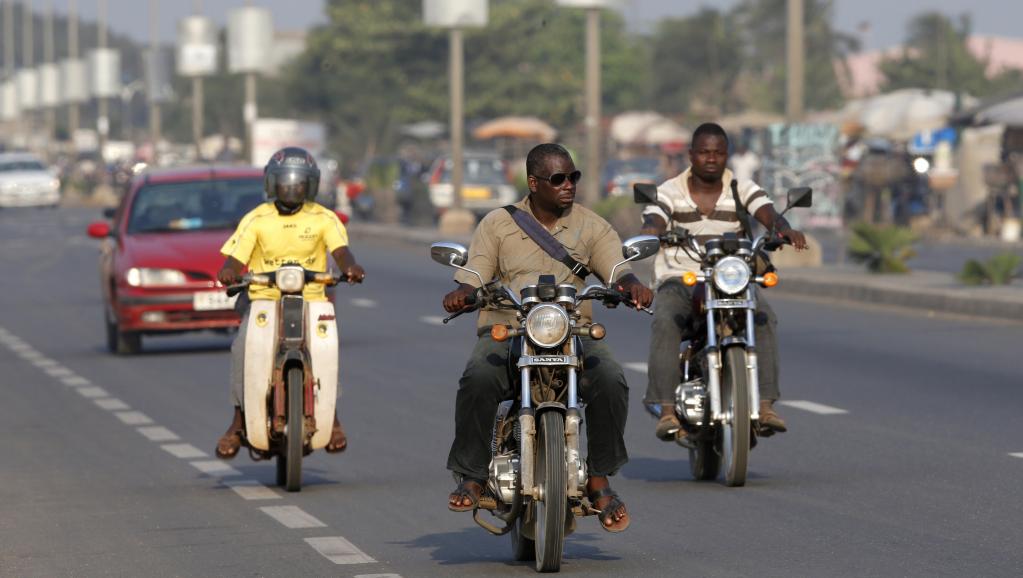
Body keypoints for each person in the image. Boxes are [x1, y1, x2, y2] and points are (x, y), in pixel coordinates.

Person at [442, 143, 653, 533]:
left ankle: (600, 478)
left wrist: (631, 284)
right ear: (534, 183)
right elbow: (476, 271)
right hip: (510, 329)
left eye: (573, 177)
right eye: (558, 179)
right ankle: (471, 475)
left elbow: (615, 266)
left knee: (610, 378)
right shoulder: (498, 224)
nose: (568, 185)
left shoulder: (591, 225)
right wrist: (465, 292)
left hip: (572, 331)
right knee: (478, 378)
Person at [640, 123, 807, 442]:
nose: (711, 159)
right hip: (681, 277)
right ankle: (665, 410)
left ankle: (765, 406)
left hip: (731, 276)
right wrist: (652, 231)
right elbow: (655, 218)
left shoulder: (741, 188)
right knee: (664, 319)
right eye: (704, 152)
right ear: (692, 155)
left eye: (718, 152)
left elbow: (767, 212)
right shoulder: (669, 191)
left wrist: (783, 229)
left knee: (764, 317)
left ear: (727, 155)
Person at [215, 147, 366, 459]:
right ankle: (238, 421)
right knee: (242, 348)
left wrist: (350, 267)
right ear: (272, 184)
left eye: (298, 183)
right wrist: (229, 271)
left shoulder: (325, 218)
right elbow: (235, 258)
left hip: (311, 298)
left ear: (309, 185)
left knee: (326, 349)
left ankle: (332, 418)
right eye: (285, 182)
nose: (292, 188)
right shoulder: (256, 219)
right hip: (263, 299)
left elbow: (340, 252)